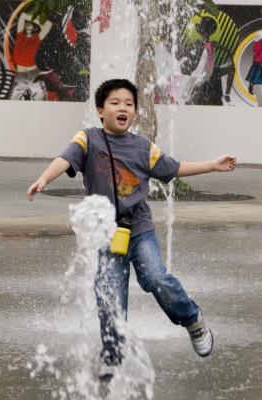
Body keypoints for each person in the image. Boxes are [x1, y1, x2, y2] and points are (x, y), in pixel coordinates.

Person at [27, 79, 236, 379]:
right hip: (105, 236)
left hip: (138, 229)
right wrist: (44, 178)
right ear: (100, 111)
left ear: (135, 112)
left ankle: (194, 320)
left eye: (128, 103)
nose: (122, 107)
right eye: (114, 103)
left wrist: (212, 165)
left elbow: (174, 168)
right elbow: (65, 157)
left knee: (155, 277)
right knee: (109, 295)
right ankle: (112, 355)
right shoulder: (89, 138)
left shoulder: (143, 147)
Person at [10, 12, 52, 100]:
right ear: (24, 26)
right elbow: (23, 16)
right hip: (20, 75)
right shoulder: (20, 36)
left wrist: (36, 21)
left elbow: (49, 24)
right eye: (27, 24)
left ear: (34, 27)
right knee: (11, 102)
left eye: (30, 25)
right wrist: (31, 20)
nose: (28, 26)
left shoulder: (37, 38)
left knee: (41, 103)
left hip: (34, 74)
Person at [246, 30, 262, 106]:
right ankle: (251, 86)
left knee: (255, 77)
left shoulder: (257, 41)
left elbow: (255, 53)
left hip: (257, 62)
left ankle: (251, 86)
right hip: (258, 62)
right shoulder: (258, 39)